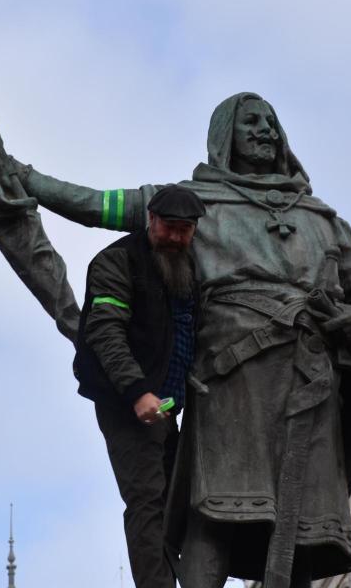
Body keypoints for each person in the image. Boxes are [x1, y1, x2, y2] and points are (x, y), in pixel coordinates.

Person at [11, 92, 351, 587]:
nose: (263, 132)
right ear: (225, 134)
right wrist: (21, 176)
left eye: (270, 123)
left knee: (306, 531)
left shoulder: (322, 219)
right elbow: (89, 203)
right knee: (216, 513)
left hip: (310, 378)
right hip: (229, 379)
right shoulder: (189, 203)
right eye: (250, 122)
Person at [74, 185, 206, 588]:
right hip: (127, 405)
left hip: (168, 407)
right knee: (147, 498)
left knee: (175, 502)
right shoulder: (118, 262)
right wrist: (136, 392)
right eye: (169, 227)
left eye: (184, 230)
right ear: (151, 220)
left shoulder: (189, 267)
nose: (176, 237)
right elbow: (106, 333)